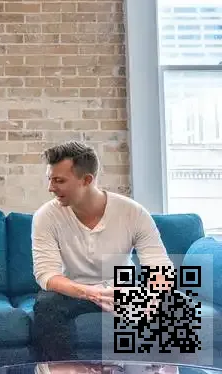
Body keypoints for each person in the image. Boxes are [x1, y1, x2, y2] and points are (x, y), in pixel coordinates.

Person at [31, 140, 174, 362]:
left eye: (59, 180)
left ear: (87, 180)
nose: (51, 188)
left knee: (168, 304)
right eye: (50, 179)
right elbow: (46, 275)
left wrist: (153, 296)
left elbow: (160, 267)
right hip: (72, 290)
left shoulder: (133, 213)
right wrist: (91, 292)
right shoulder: (46, 216)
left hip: (120, 288)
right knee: (46, 304)